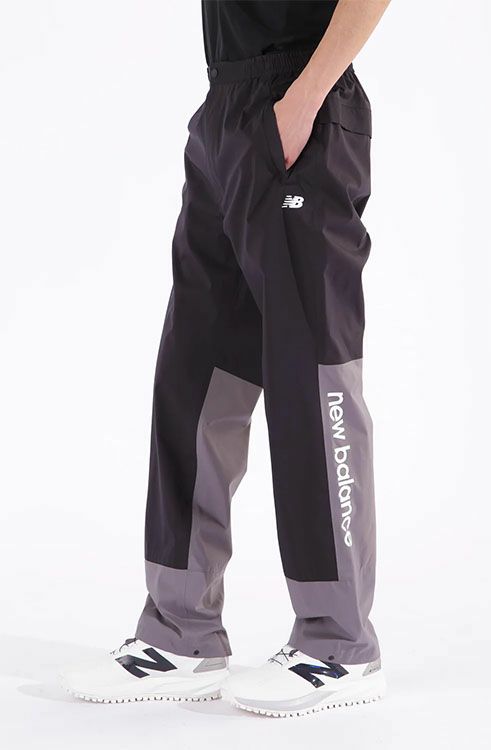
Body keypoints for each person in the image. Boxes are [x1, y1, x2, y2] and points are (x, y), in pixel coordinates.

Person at [63, 0, 391, 717]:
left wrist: (305, 98)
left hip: (301, 103)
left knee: (311, 383)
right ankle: (181, 631)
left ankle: (337, 643)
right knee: (195, 380)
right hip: (225, 110)